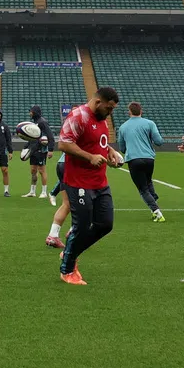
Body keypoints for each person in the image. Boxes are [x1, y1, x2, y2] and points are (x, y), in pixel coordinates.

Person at [57, 86, 122, 285]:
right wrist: (90, 157)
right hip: (79, 182)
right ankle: (67, 270)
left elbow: (95, 141)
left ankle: (71, 250)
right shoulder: (79, 116)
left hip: (100, 182)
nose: (110, 112)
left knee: (105, 224)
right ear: (98, 102)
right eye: (109, 108)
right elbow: (64, 143)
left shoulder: (101, 119)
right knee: (82, 226)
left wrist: (109, 151)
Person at [118, 101, 165, 221]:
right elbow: (159, 141)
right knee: (148, 182)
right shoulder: (149, 123)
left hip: (134, 159)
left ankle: (156, 211)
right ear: (141, 111)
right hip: (149, 158)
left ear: (129, 112)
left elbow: (122, 148)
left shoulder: (123, 127)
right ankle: (153, 198)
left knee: (142, 189)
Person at [22, 105, 52, 198]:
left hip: (41, 150)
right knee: (33, 170)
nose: (29, 113)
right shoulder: (34, 123)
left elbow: (50, 136)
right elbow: (32, 137)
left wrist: (50, 149)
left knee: (42, 170)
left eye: (31, 111)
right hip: (33, 150)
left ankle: (44, 192)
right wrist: (26, 146)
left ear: (35, 112)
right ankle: (32, 191)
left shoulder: (42, 122)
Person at [45, 157, 70, 247]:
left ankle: (53, 236)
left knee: (67, 204)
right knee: (88, 201)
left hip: (61, 163)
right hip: (73, 164)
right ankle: (74, 232)